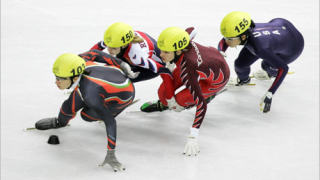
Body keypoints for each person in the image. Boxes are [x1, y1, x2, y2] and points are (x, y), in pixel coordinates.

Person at [35, 50, 139, 172]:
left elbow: (110, 122)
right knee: (67, 107)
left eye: (61, 79)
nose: (56, 82)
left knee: (86, 115)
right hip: (105, 82)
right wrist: (121, 64)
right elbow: (96, 53)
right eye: (56, 78)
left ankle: (113, 110)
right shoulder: (78, 62)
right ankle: (60, 122)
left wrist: (111, 154)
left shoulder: (90, 94)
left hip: (122, 97)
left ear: (74, 79)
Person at [141, 27, 230, 156]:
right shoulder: (182, 40)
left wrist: (193, 135)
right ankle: (167, 103)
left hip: (216, 80)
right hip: (210, 60)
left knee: (180, 100)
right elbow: (192, 29)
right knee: (163, 92)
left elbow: (201, 105)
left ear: (178, 51)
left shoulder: (188, 70)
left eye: (166, 52)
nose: (161, 55)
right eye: (162, 50)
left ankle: (209, 95)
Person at [218, 11, 304, 113]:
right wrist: (220, 51)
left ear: (243, 37)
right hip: (281, 25)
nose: (226, 41)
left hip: (294, 47)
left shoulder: (260, 48)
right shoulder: (245, 34)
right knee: (240, 64)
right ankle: (244, 80)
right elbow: (224, 41)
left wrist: (270, 93)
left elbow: (284, 68)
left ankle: (271, 73)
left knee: (266, 65)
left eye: (230, 39)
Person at [90, 22, 167, 83]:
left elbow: (161, 69)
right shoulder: (114, 40)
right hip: (139, 54)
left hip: (152, 67)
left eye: (113, 48)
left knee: (120, 78)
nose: (109, 50)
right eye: (108, 46)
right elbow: (95, 50)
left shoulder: (136, 56)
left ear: (124, 45)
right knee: (111, 68)